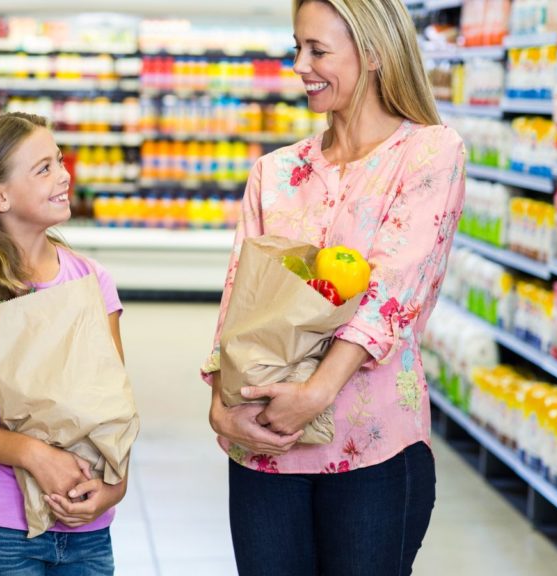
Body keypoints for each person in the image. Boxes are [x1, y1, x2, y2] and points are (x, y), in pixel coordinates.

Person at [201, 1, 466, 574]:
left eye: (317, 50)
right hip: (264, 449)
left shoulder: (430, 153)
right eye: (296, 47)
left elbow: (391, 294)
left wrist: (315, 395)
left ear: (373, 52)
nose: (300, 64)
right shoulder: (274, 172)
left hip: (372, 448)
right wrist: (220, 407)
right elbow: (238, 302)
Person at [0, 112, 126, 575]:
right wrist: (35, 455)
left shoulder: (92, 281)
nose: (64, 174)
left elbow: (114, 404)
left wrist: (115, 487)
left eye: (59, 161)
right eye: (44, 168)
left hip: (87, 525)